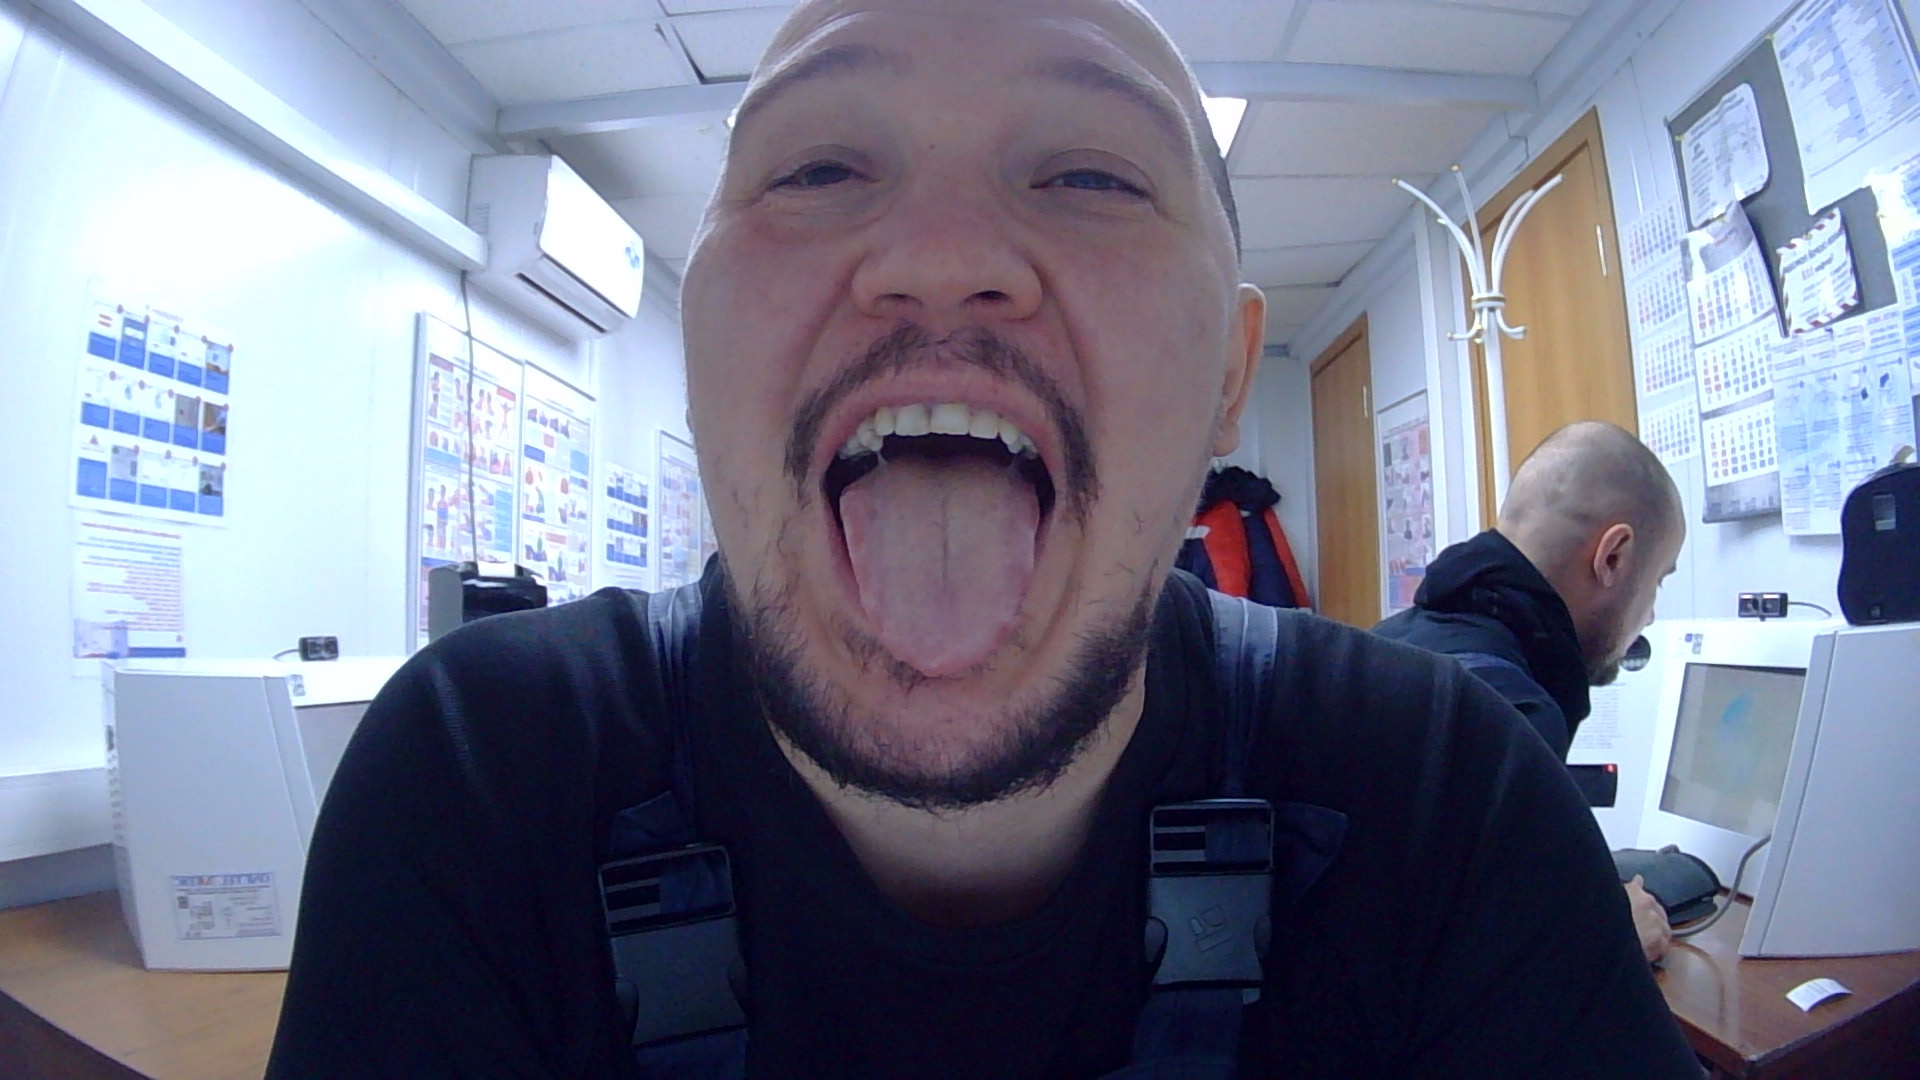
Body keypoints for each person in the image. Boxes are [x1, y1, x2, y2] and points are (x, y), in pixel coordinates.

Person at [266, 2, 1699, 1076]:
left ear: (1226, 373)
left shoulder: (1446, 802)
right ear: (696, 339)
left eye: (1090, 177)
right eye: (818, 168)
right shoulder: (484, 781)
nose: (939, 260)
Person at [1373, 420, 1685, 963]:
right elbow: (1479, 973)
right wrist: (1608, 936)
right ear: (1613, 556)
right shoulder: (1508, 715)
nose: (1651, 615)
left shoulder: (1394, 638)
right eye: (1657, 581)